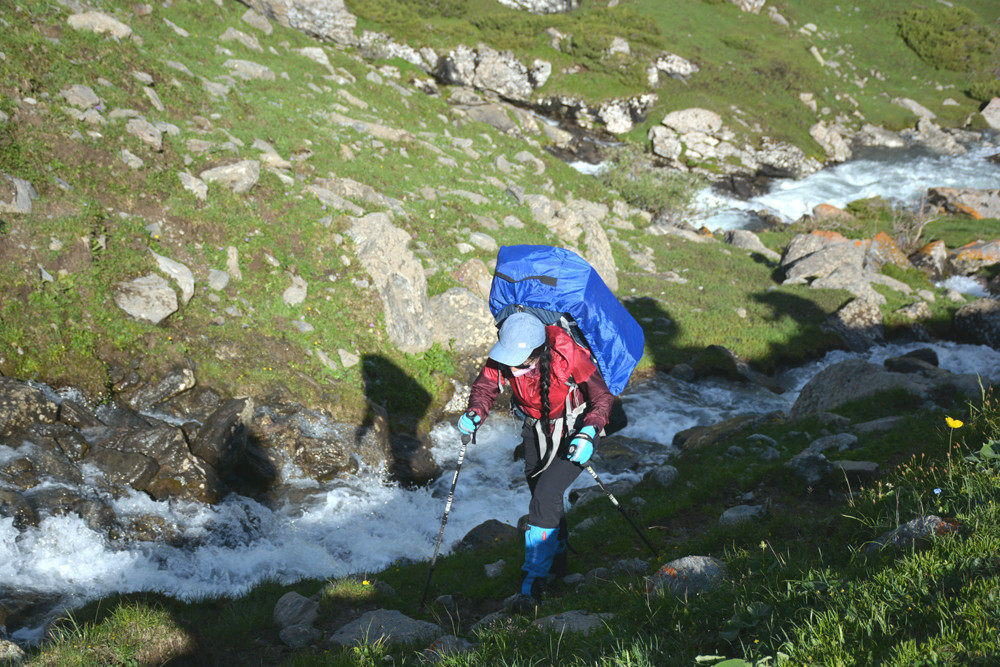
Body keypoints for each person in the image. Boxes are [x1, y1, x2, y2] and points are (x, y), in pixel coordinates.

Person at [458, 311, 614, 606]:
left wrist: (590, 431)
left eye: (519, 364)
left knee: (545, 495)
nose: (511, 369)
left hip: (575, 432)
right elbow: (485, 386)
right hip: (533, 430)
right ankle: (559, 566)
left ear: (537, 353)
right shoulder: (507, 354)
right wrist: (475, 412)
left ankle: (533, 583)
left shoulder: (568, 353)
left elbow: (602, 396)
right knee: (544, 497)